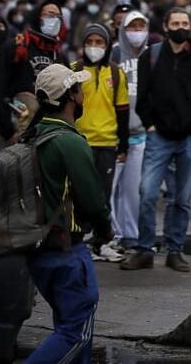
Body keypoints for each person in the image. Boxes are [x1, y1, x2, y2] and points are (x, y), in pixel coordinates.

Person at [23, 64, 114, 364]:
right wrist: (106, 231)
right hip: (67, 252)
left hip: (39, 251)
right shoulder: (69, 142)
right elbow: (93, 201)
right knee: (76, 334)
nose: (83, 91)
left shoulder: (33, 136)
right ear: (70, 97)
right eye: (78, 87)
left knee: (67, 328)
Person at [121, 8, 191, 273]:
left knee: (182, 198)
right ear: (165, 26)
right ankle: (144, 249)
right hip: (159, 137)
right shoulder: (151, 56)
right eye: (175, 22)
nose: (180, 27)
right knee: (148, 192)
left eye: (185, 23)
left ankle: (175, 250)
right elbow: (142, 98)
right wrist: (150, 125)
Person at [70, 23, 129, 264]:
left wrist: (123, 145)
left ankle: (102, 241)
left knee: (103, 195)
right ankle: (79, 239)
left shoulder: (115, 73)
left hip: (106, 143)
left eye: (100, 43)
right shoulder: (73, 70)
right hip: (79, 143)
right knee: (78, 194)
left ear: (107, 45)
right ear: (83, 45)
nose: (94, 47)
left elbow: (123, 111)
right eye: (90, 42)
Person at [0, 0, 64, 149]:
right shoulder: (16, 46)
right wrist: (7, 130)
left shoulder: (56, 54)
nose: (55, 20)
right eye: (50, 15)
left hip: (42, 134)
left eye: (59, 16)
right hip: (12, 130)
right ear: (37, 16)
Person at [109, 10, 149, 254]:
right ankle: (111, 233)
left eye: (140, 26)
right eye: (132, 26)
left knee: (133, 191)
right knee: (109, 189)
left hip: (142, 133)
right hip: (114, 134)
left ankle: (130, 236)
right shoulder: (114, 53)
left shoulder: (151, 55)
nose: (137, 32)